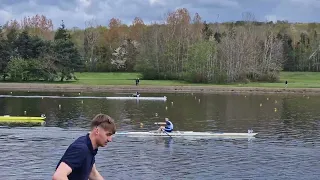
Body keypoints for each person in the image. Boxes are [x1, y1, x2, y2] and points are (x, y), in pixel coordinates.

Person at [52, 113, 116, 180]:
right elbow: (58, 176)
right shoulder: (81, 149)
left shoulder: (90, 147)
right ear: (97, 131)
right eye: (108, 135)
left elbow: (92, 173)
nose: (110, 139)